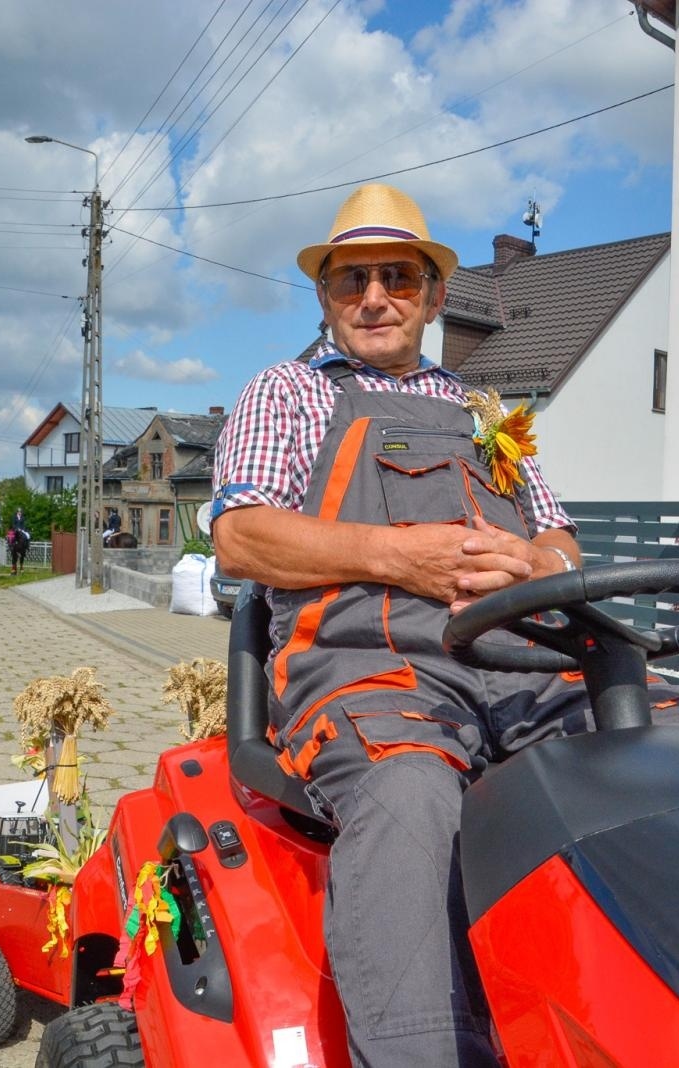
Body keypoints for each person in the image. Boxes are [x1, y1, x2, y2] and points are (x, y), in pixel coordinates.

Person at [210, 184, 584, 1068]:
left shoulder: (488, 417)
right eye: (352, 280)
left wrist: (535, 563)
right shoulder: (288, 393)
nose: (374, 297)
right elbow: (240, 534)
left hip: (522, 671)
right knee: (409, 794)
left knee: (646, 767)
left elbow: (562, 537)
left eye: (397, 278)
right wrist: (397, 556)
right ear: (325, 297)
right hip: (371, 678)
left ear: (435, 294)